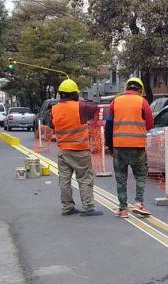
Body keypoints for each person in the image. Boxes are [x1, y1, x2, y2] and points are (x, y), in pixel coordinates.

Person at [50, 78, 103, 217]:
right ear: (74, 94)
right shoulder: (79, 106)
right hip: (80, 150)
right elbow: (95, 107)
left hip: (63, 151)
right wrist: (79, 100)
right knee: (85, 178)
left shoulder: (54, 109)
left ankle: (67, 207)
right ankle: (88, 207)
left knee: (64, 180)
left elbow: (52, 125)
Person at [105, 77, 154, 218]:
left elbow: (108, 126)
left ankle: (123, 209)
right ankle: (138, 203)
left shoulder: (115, 102)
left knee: (121, 178)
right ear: (140, 90)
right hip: (137, 148)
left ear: (126, 88)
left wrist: (110, 146)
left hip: (119, 147)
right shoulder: (143, 102)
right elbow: (150, 124)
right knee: (140, 176)